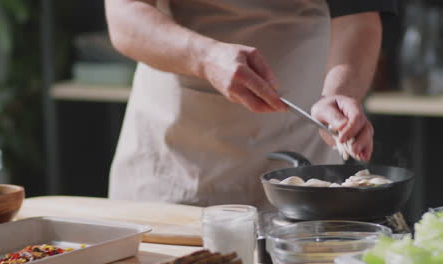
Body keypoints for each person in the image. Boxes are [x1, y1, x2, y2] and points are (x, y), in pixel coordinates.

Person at [105, 0, 396, 208]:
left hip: (302, 151)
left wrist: (340, 92)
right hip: (175, 154)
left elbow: (359, 16)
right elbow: (124, 15)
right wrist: (204, 57)